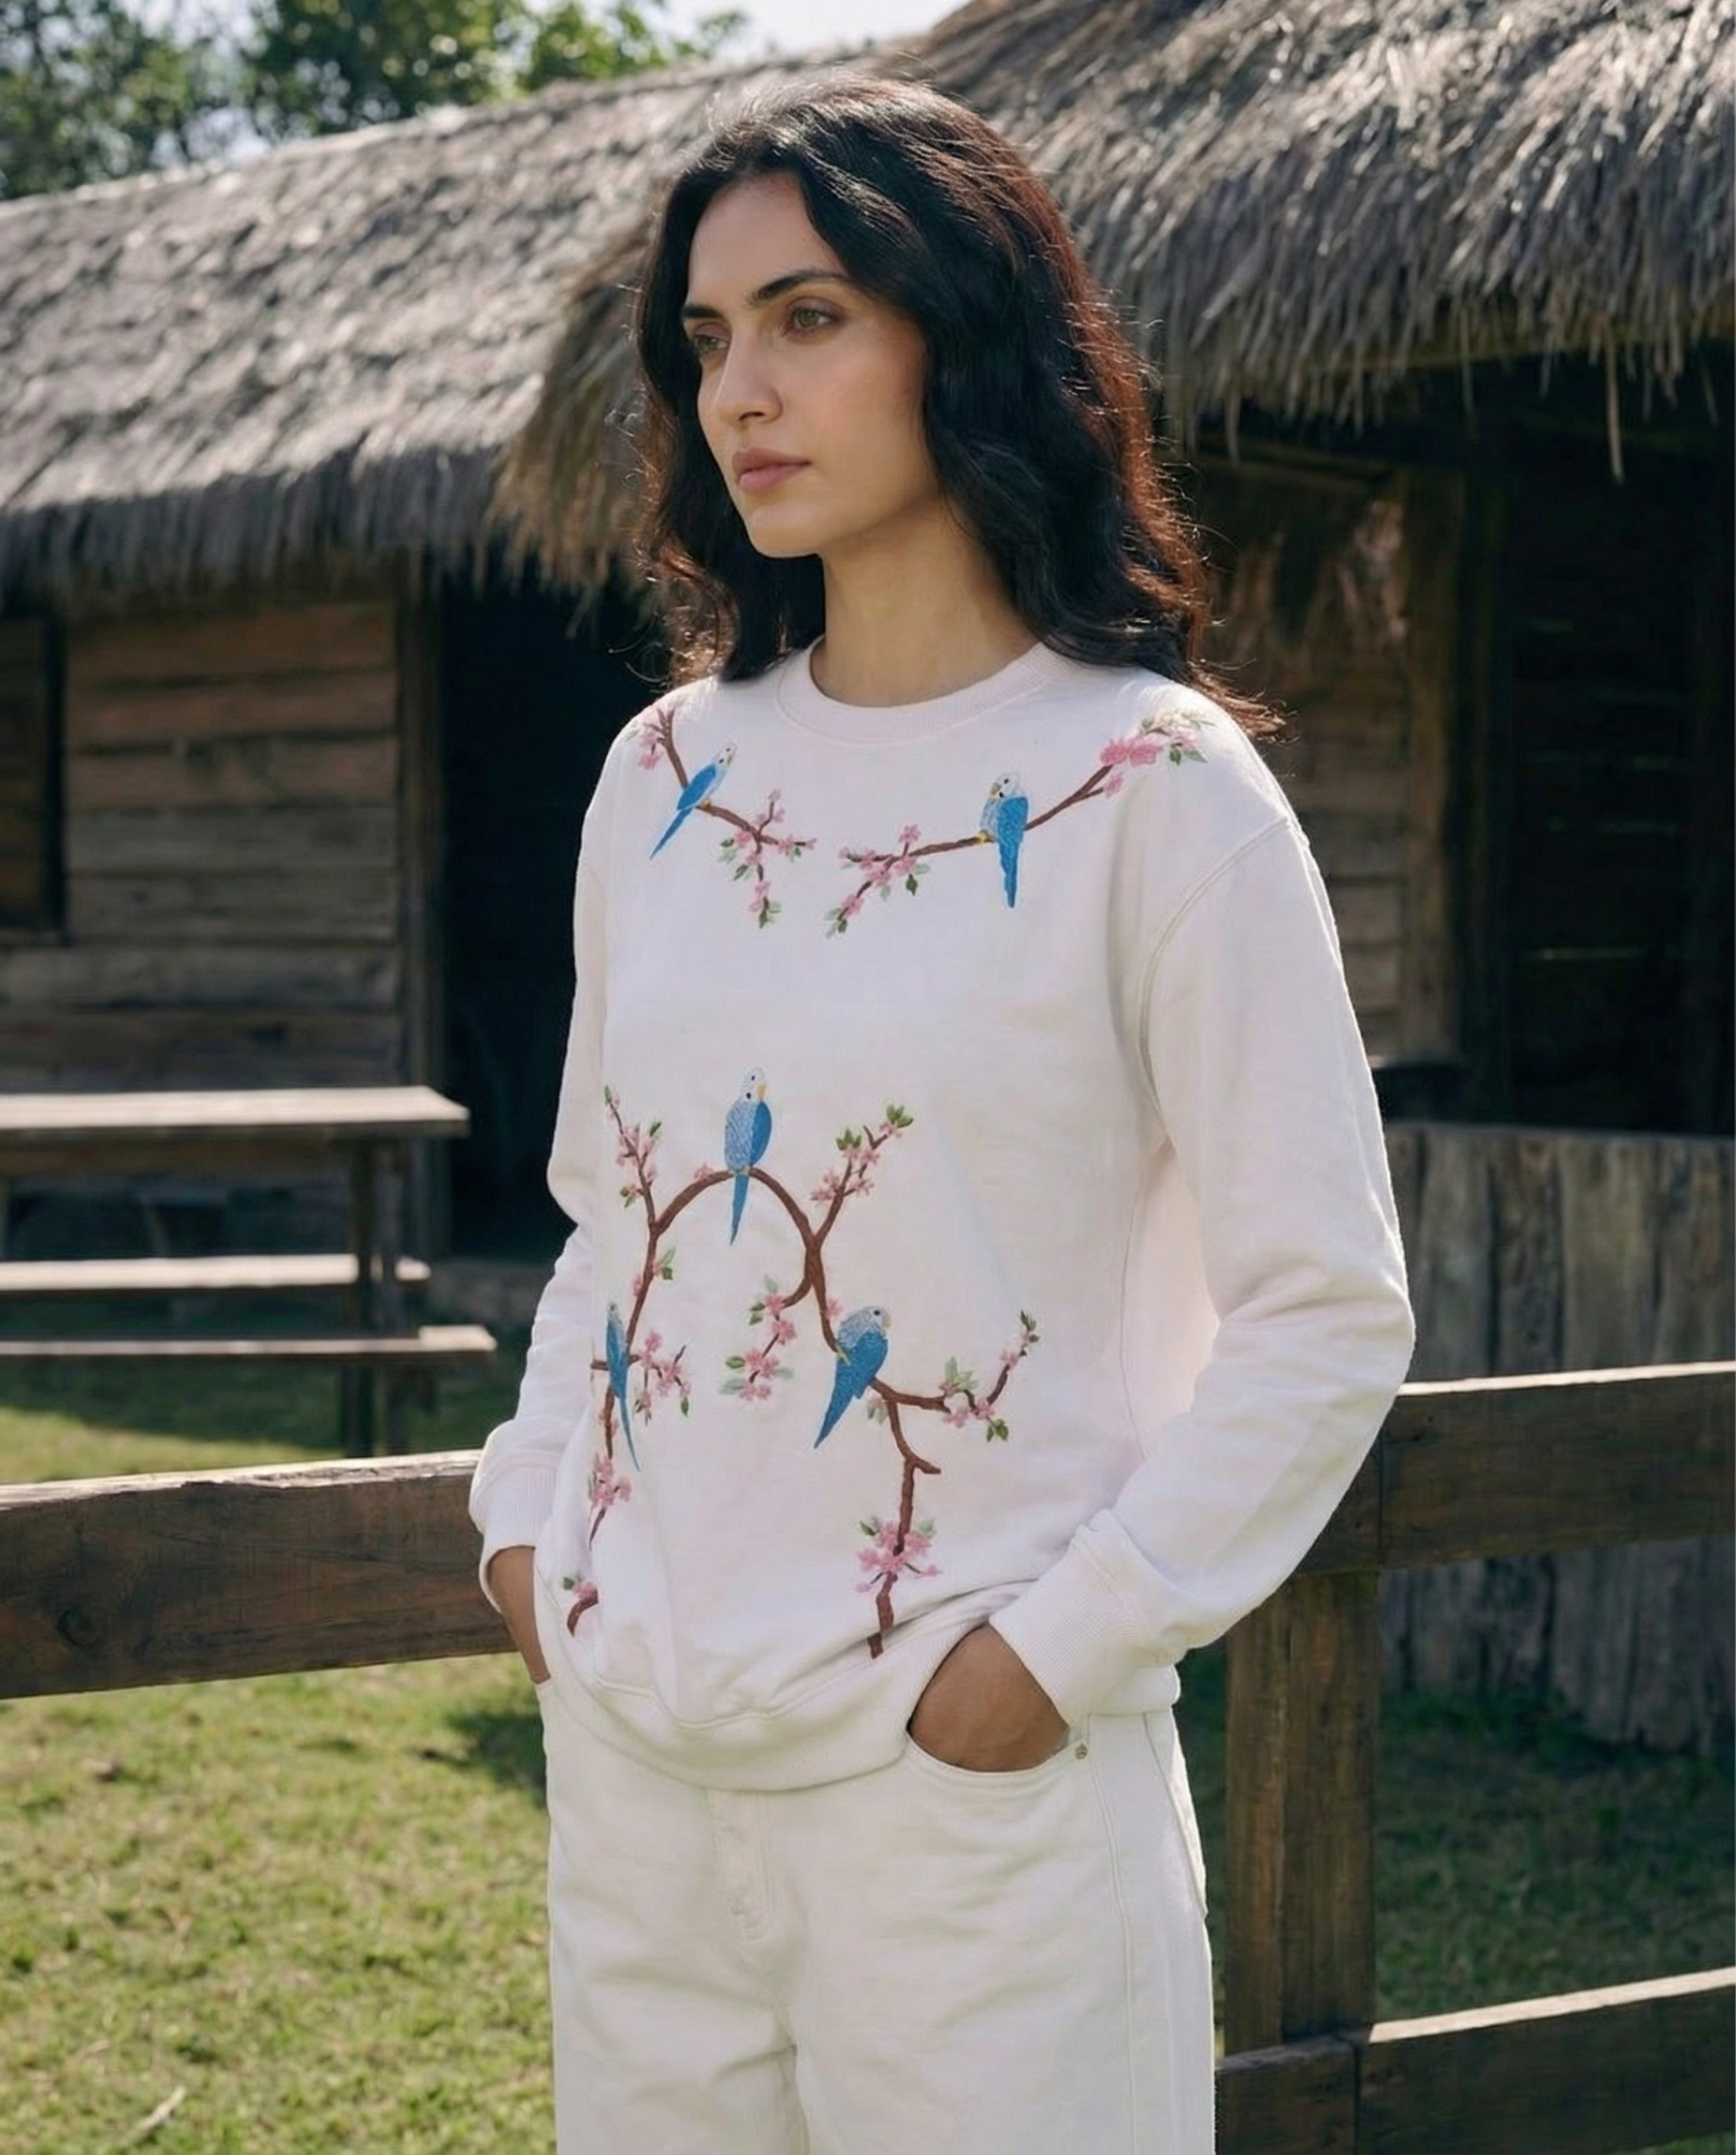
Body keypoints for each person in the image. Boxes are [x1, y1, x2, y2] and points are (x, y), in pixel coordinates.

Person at [469, 74, 1414, 2155]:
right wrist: (531, 1533)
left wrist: (1042, 1662)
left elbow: (1326, 1309)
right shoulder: (663, 780)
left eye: (810, 316)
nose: (743, 390)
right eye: (708, 341)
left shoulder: (1153, 792)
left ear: (963, 333)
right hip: (640, 1778)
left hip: (971, 1807)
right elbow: (607, 1233)